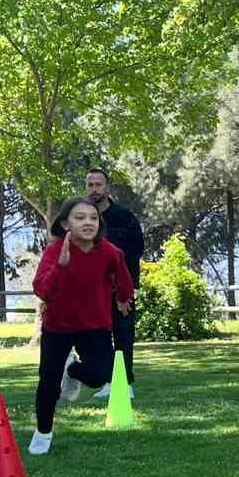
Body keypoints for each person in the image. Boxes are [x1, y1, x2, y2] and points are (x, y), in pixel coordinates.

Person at [31, 197, 134, 455]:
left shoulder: (110, 252)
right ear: (65, 223)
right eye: (80, 218)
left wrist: (123, 298)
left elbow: (124, 281)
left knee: (102, 375)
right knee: (48, 384)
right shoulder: (55, 252)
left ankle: (73, 371)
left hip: (95, 326)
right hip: (58, 326)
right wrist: (61, 267)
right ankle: (43, 432)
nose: (88, 222)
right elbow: (42, 290)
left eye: (93, 218)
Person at [81, 168, 144, 400]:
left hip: (120, 290)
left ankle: (125, 383)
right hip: (92, 291)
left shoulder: (125, 218)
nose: (94, 189)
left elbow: (135, 253)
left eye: (98, 184)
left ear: (107, 187)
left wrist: (126, 291)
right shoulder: (83, 219)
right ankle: (109, 381)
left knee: (123, 335)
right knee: (98, 338)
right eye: (90, 185)